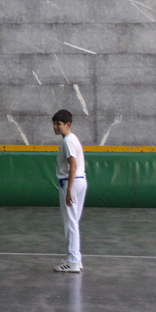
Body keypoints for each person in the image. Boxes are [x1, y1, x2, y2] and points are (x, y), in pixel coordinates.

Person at [52, 109, 87, 273]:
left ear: (68, 124)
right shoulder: (72, 139)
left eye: (58, 124)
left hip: (70, 182)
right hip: (78, 181)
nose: (55, 127)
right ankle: (75, 259)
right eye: (54, 124)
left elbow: (72, 164)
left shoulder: (67, 141)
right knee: (73, 222)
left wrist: (69, 190)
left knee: (70, 223)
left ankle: (73, 260)